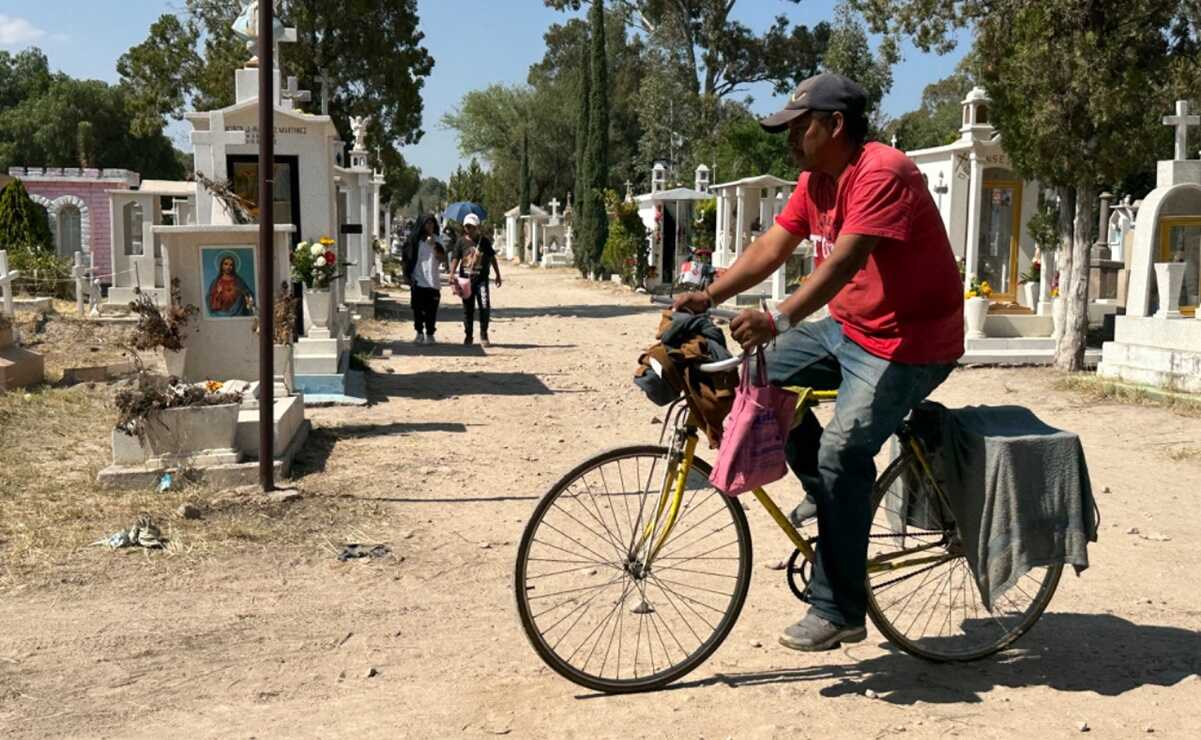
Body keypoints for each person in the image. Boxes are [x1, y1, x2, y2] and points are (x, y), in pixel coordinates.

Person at [673, 73, 964, 652]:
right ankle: (825, 495)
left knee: (842, 451)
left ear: (835, 126)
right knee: (756, 379)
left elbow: (843, 264)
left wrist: (779, 319)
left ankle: (839, 608)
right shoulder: (816, 178)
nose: (790, 140)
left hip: (910, 343)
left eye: (798, 128)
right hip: (851, 329)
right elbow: (771, 247)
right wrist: (710, 295)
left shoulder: (883, 171)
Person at [450, 213, 502, 346]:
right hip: (466, 282)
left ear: (477, 227)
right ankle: (468, 335)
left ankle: (484, 334)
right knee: (468, 309)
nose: (469, 229)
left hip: (482, 281)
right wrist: (451, 273)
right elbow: (456, 257)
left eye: (472, 227)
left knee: (484, 306)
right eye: (467, 226)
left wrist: (497, 274)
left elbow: (492, 258)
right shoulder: (461, 241)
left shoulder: (484, 241)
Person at [403, 214, 446, 344]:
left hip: (433, 281)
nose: (430, 226)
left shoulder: (438, 240)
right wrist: (406, 276)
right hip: (418, 280)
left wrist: (435, 245)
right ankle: (419, 332)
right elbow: (406, 258)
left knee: (431, 310)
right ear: (422, 225)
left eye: (432, 223)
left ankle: (430, 333)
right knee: (417, 309)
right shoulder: (414, 241)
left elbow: (443, 258)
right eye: (427, 223)